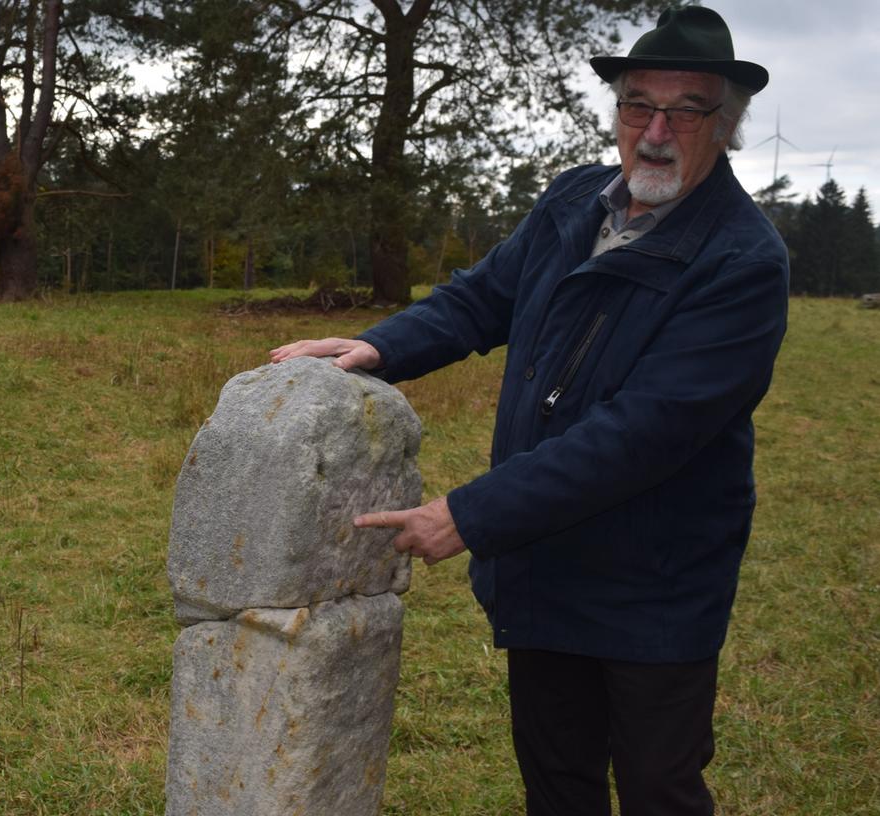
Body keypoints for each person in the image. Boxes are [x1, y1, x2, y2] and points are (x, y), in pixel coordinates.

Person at [269, 7, 786, 815]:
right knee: (556, 781)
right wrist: (380, 347)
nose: (654, 130)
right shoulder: (575, 200)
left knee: (657, 787)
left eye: (684, 110)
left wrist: (467, 515)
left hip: (655, 579)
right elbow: (483, 297)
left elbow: (642, 436)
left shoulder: (742, 260)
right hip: (545, 562)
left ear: (723, 127)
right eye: (635, 105)